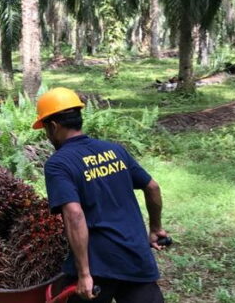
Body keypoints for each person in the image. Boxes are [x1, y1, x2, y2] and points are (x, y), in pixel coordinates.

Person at [33, 87, 167, 303]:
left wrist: (84, 274)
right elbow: (152, 187)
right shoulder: (115, 150)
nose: (48, 136)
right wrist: (156, 228)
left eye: (46, 130)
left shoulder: (59, 164)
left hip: (98, 265)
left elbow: (74, 214)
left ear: (53, 126)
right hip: (135, 254)